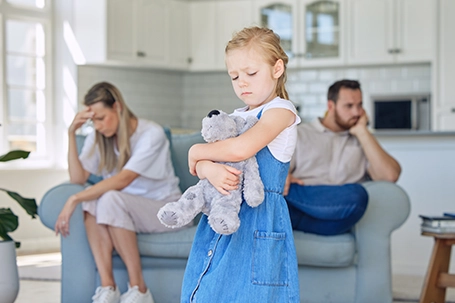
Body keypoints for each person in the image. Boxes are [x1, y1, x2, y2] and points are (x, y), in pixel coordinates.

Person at [178, 27, 301, 303]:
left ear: (277, 68)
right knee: (209, 290)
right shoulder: (233, 117)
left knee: (251, 294)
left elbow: (241, 148)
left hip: (259, 221)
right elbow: (201, 169)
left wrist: (197, 150)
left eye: (251, 73)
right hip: (222, 217)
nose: (242, 83)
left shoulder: (281, 111)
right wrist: (209, 168)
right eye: (234, 76)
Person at [54, 82, 183, 303]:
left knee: (107, 197)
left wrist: (74, 198)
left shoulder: (151, 134)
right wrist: (71, 134)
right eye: (93, 120)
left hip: (164, 209)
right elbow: (78, 178)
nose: (98, 126)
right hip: (124, 207)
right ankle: (108, 289)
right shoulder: (99, 137)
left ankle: (140, 290)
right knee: (93, 203)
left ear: (117, 107)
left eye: (101, 118)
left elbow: (123, 180)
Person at [284, 79, 402, 235]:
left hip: (338, 214)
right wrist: (285, 175)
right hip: (304, 201)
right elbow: (282, 175)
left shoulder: (363, 141)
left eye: (360, 105)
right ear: (331, 106)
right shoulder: (301, 133)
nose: (356, 112)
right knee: (279, 186)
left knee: (357, 197)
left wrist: (362, 131)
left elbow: (390, 176)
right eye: (349, 106)